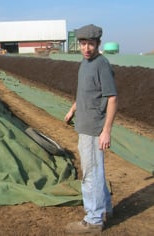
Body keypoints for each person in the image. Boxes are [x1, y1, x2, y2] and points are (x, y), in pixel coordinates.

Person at [64, 24, 118, 234]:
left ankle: (94, 220)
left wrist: (106, 130)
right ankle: (105, 209)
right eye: (83, 44)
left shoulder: (101, 64)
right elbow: (84, 93)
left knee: (91, 173)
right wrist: (72, 110)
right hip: (83, 124)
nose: (87, 48)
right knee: (95, 172)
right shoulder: (84, 63)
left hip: (94, 128)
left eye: (91, 44)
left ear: (98, 44)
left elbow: (112, 98)